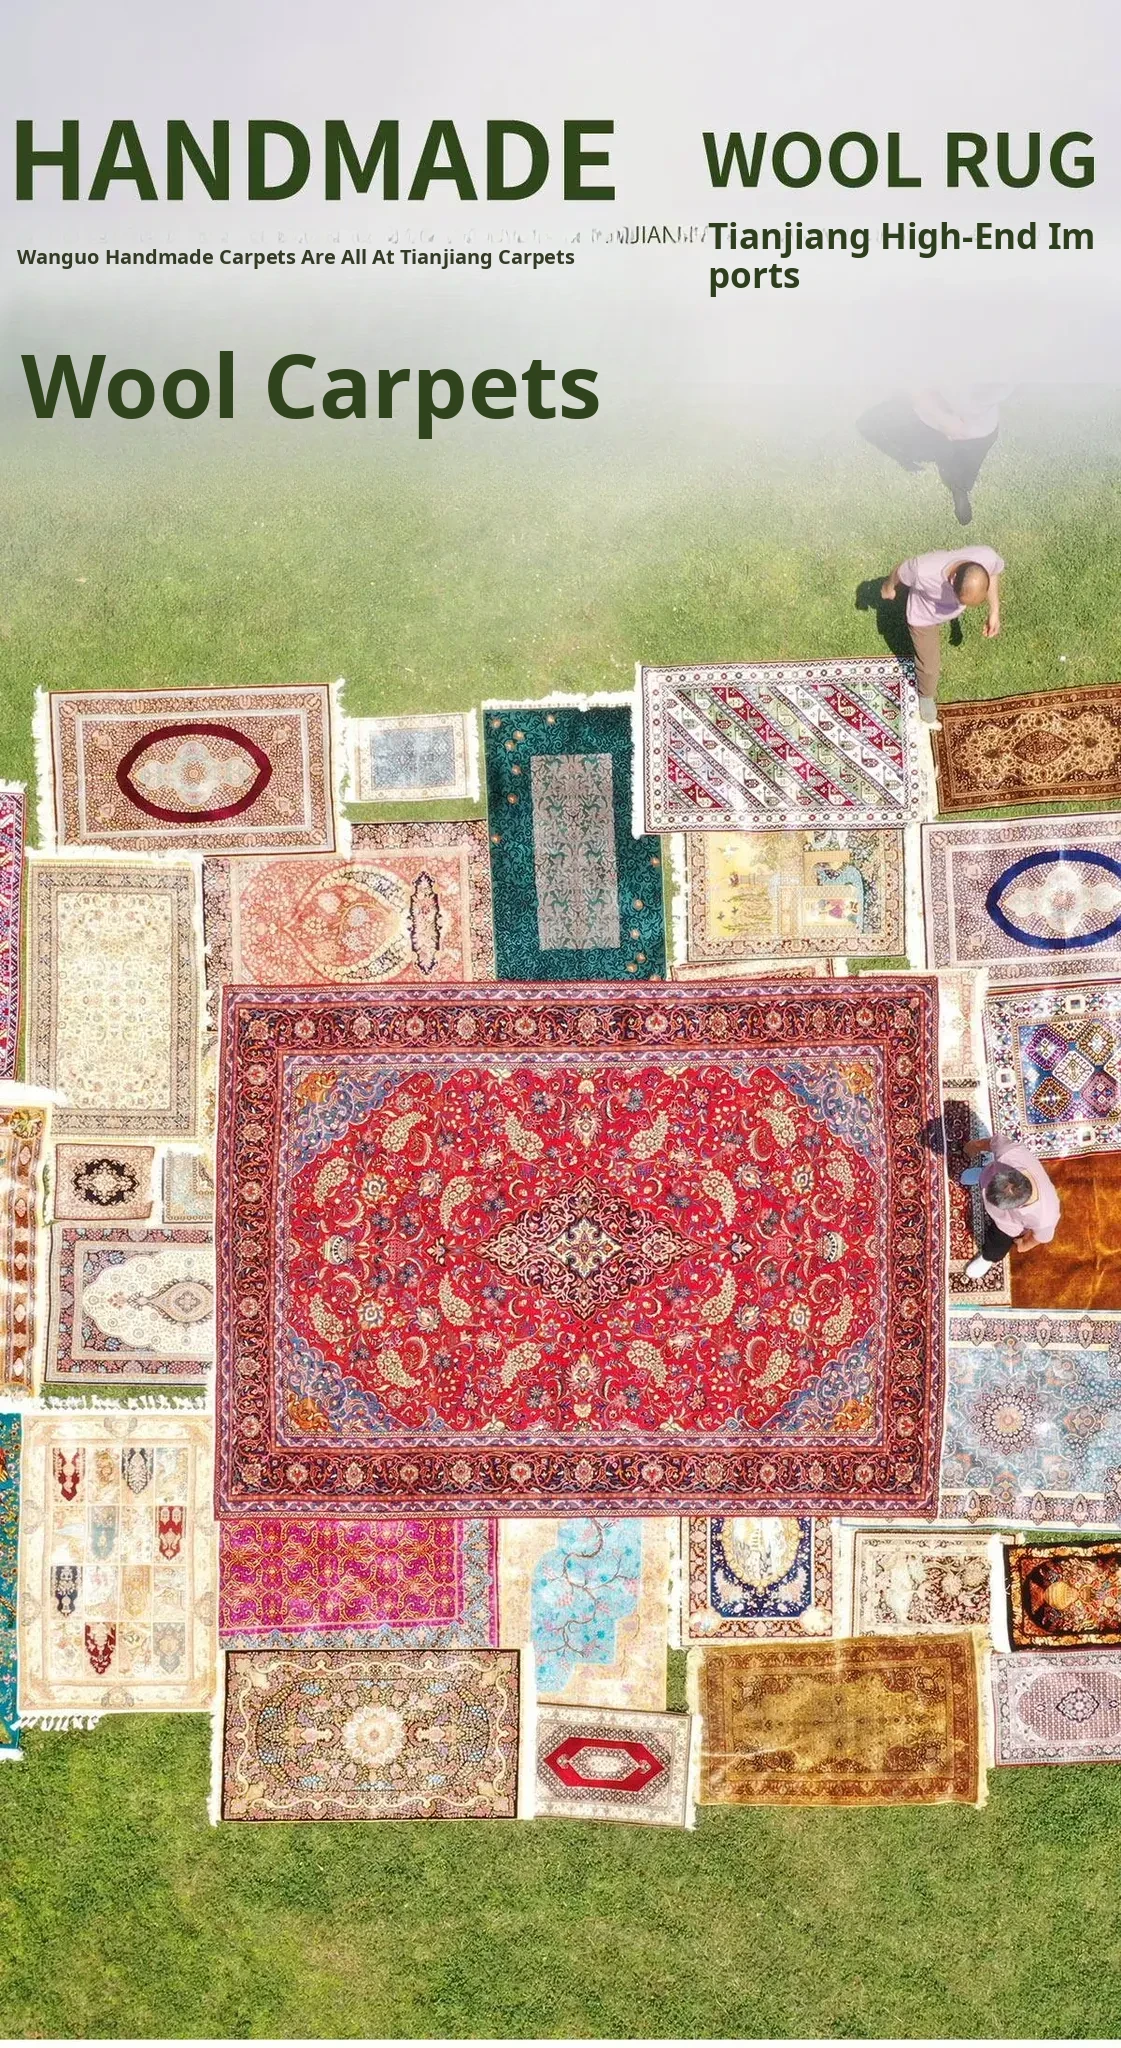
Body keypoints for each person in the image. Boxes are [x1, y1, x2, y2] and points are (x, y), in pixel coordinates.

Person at [879, 544, 1004, 727]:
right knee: (929, 667)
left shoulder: (987, 556)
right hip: (924, 617)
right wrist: (889, 586)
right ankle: (926, 697)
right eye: (961, 600)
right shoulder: (923, 571)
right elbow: (900, 569)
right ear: (952, 580)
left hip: (943, 609)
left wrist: (994, 611)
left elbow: (993, 573)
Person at [858, 385, 1011, 524]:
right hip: (956, 427)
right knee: (954, 458)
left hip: (971, 429)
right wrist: (944, 419)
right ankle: (959, 488)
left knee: (960, 460)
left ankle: (959, 489)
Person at [959, 1133, 1061, 1279]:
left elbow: (1040, 1238)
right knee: (986, 1175)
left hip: (1009, 1224)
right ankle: (982, 1174)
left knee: (998, 1245)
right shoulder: (1008, 1152)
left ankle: (988, 1258)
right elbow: (991, 1142)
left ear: (1015, 1206)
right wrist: (975, 1146)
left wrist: (1024, 1244)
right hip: (989, 1174)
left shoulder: (1045, 1217)